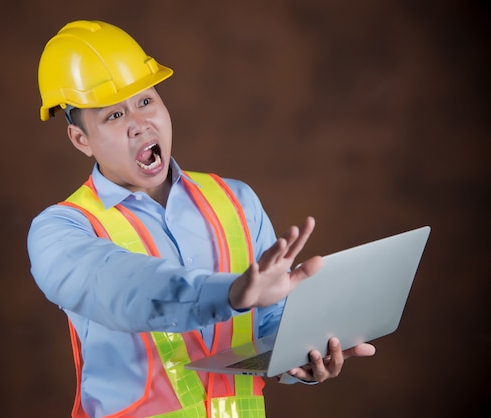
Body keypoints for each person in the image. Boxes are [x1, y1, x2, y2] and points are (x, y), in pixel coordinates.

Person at [27, 20, 376, 418]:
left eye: (146, 101)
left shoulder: (236, 200)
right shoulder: (61, 232)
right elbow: (127, 290)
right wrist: (231, 294)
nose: (140, 124)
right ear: (81, 140)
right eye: (113, 116)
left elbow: (269, 325)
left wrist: (304, 357)